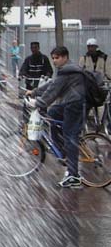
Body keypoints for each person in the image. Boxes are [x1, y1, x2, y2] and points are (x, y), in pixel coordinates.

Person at [26, 46, 85, 188]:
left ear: (65, 57)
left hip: (73, 104)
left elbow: (53, 91)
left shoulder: (67, 71)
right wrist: (34, 92)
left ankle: (73, 176)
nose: (54, 61)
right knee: (52, 114)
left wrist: (39, 102)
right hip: (68, 103)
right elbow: (52, 84)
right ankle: (63, 151)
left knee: (70, 137)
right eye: (53, 58)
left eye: (57, 58)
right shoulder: (66, 70)